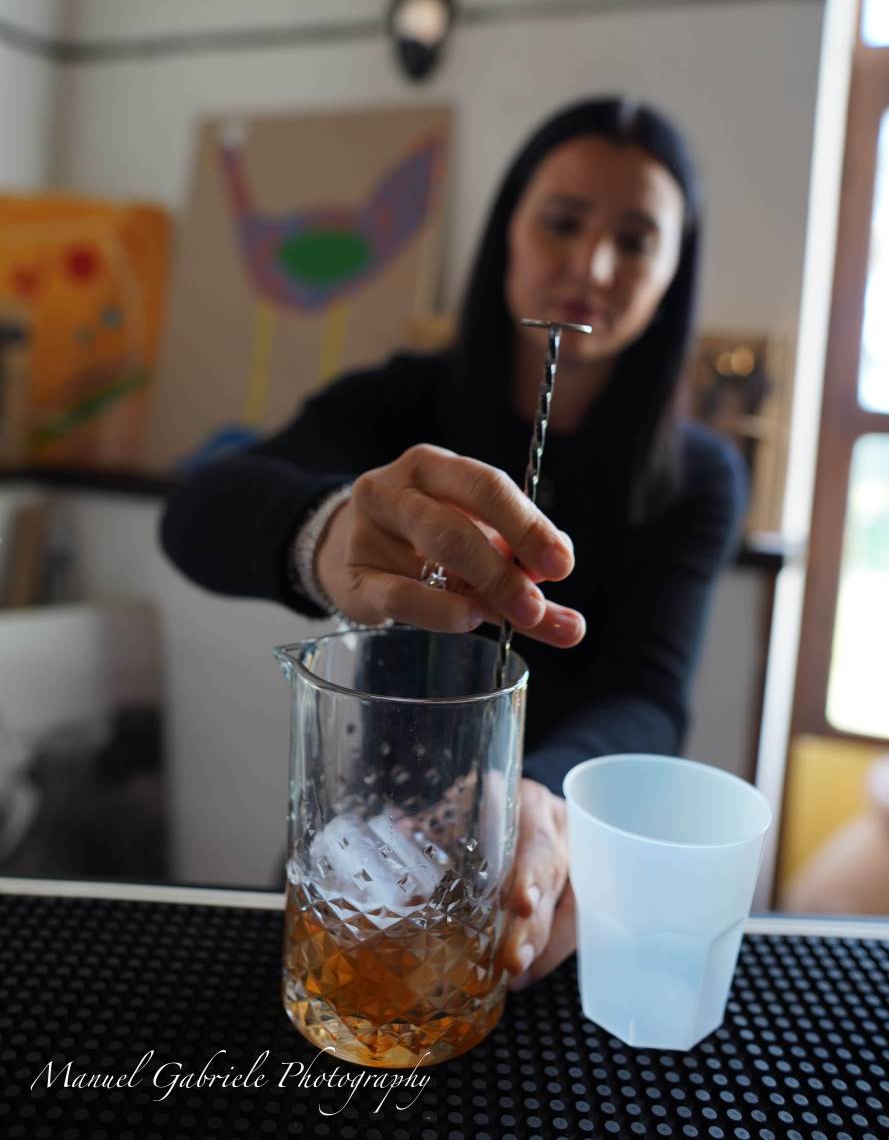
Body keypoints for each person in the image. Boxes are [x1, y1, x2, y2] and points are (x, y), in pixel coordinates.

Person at [161, 96, 747, 994]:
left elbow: (648, 694)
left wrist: (532, 792)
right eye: (560, 221)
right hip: (348, 879)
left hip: (535, 878)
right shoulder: (395, 405)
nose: (588, 263)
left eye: (634, 240)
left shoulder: (697, 476)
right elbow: (197, 512)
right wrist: (328, 536)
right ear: (506, 228)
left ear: (674, 272)